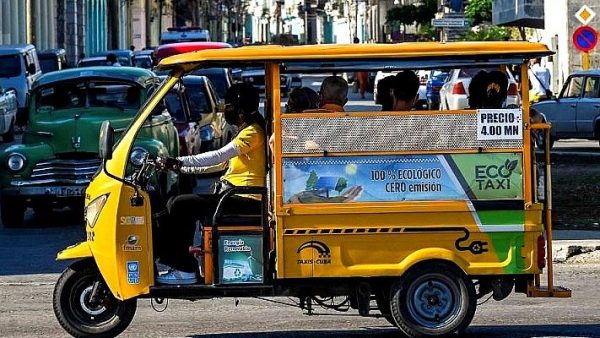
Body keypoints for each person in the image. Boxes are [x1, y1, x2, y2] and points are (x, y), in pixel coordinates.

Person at [156, 83, 266, 284]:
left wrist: (180, 161)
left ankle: (186, 269)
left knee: (181, 205)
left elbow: (217, 156)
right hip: (234, 196)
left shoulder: (253, 132)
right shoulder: (245, 131)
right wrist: (179, 168)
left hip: (244, 199)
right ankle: (178, 263)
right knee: (174, 201)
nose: (226, 112)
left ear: (240, 111)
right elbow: (219, 165)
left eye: (230, 107)